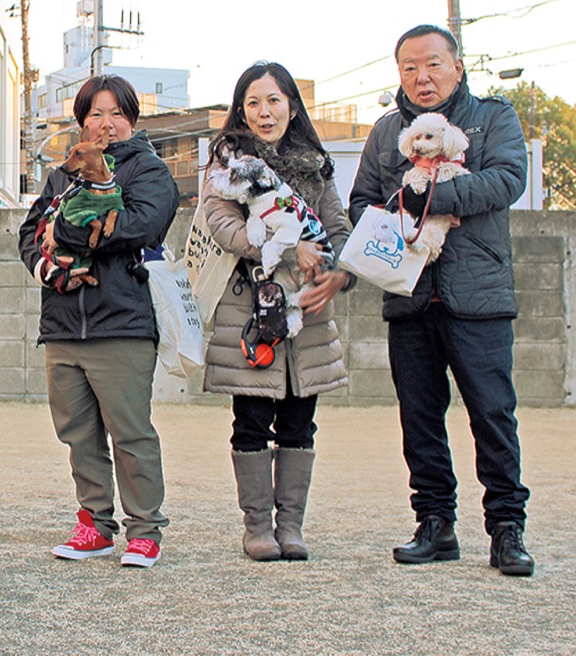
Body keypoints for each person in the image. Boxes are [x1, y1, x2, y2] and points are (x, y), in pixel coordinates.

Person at [349, 25, 533, 576]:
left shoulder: (492, 117)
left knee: (493, 414)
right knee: (419, 417)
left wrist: (429, 195)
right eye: (408, 67)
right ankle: (434, 522)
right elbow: (361, 201)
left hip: (478, 294)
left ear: (457, 65)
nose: (420, 77)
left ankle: (506, 528)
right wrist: (391, 217)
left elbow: (506, 180)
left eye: (431, 64)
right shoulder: (386, 132)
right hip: (409, 296)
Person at [17, 74, 179, 568]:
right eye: (95, 114)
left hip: (122, 322)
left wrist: (66, 229)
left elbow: (137, 226)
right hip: (64, 323)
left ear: (132, 118)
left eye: (115, 113)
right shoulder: (64, 172)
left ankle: (145, 529)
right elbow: (30, 232)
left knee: (130, 431)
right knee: (77, 432)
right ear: (82, 121)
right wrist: (46, 265)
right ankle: (95, 523)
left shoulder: (149, 171)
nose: (105, 124)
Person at [200, 62, 351, 562]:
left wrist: (339, 273)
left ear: (292, 105)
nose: (265, 113)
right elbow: (225, 228)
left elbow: (338, 228)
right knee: (251, 419)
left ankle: (292, 527)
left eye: (274, 101)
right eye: (253, 103)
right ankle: (257, 527)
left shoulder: (316, 164)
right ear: (241, 111)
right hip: (251, 307)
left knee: (299, 421)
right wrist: (289, 251)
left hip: (306, 309)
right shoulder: (228, 164)